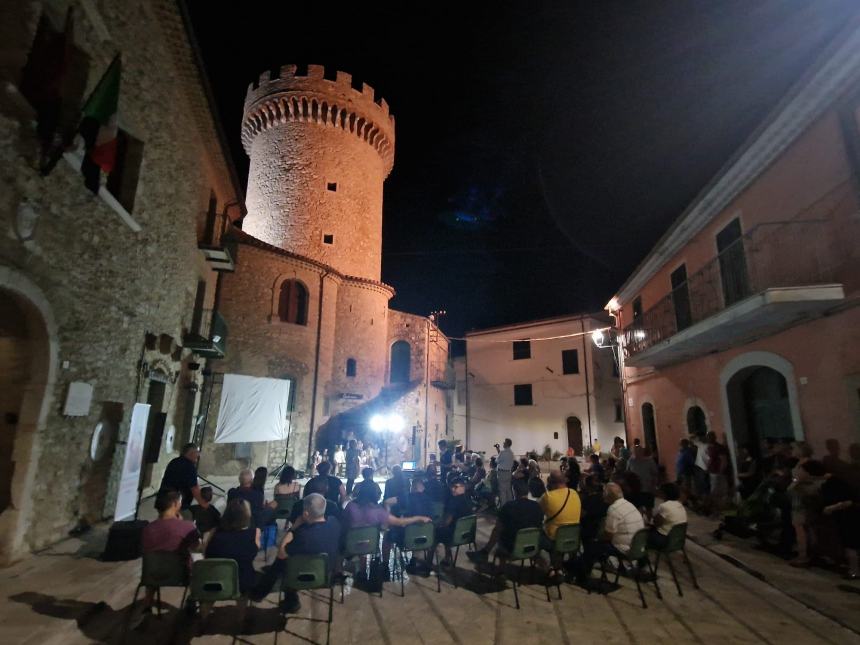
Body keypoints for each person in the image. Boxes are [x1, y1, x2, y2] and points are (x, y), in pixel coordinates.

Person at [251, 493, 342, 611]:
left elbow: (281, 553)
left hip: (300, 575)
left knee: (281, 562)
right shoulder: (334, 523)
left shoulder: (303, 535)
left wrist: (293, 528)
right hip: (326, 573)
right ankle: (271, 595)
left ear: (305, 513)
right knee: (291, 559)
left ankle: (272, 596)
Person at [572, 482, 644, 585]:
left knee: (592, 547)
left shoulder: (614, 509)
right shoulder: (629, 505)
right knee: (595, 544)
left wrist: (597, 539)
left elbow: (608, 536)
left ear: (606, 496)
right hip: (636, 546)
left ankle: (581, 577)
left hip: (624, 547)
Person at [141, 490, 201, 613]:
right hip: (180, 574)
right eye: (179, 502)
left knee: (155, 559)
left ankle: (147, 602)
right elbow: (197, 547)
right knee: (200, 559)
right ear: (175, 504)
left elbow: (146, 548)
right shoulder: (187, 526)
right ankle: (193, 599)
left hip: (152, 574)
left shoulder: (147, 528)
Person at [468, 477, 543, 562]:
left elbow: (498, 529)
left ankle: (487, 555)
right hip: (532, 545)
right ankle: (485, 553)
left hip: (512, 546)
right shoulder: (537, 506)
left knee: (498, 532)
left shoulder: (509, 506)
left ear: (514, 491)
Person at [205, 499, 260, 598]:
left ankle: (203, 612)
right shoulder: (254, 533)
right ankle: (241, 612)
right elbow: (254, 552)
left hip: (215, 578)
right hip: (242, 581)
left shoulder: (215, 532)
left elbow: (206, 553)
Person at [788, 459, 826, 567]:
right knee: (810, 533)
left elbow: (790, 490)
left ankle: (803, 556)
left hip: (801, 511)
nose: (799, 471)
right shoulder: (815, 483)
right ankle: (810, 555)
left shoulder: (808, 484)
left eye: (801, 469)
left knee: (802, 535)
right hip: (805, 511)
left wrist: (796, 481)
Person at [538, 470, 581, 556]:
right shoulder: (574, 493)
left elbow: (538, 514)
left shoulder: (547, 496)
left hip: (554, 538)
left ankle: (545, 563)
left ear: (550, 482)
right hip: (574, 536)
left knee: (536, 536)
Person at [159, 443, 209, 511]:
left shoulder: (174, 461)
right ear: (190, 453)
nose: (198, 455)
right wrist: (203, 504)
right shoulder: (189, 467)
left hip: (163, 499)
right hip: (176, 504)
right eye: (197, 452)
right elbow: (194, 488)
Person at [436, 477, 474, 566]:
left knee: (437, 532)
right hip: (469, 534)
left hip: (456, 535)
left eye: (455, 487)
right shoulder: (468, 500)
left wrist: (438, 525)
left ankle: (437, 560)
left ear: (463, 487)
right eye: (451, 487)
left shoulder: (453, 502)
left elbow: (447, 522)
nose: (452, 489)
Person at [648, 482, 687, 549]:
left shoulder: (664, 506)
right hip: (678, 540)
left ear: (664, 494)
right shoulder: (680, 505)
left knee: (643, 534)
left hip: (665, 540)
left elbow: (656, 523)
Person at [628, 445, 659, 519]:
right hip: (636, 489)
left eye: (639, 451)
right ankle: (640, 524)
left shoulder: (649, 461)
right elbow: (627, 473)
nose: (637, 453)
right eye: (635, 451)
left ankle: (649, 522)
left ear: (643, 452)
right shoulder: (631, 461)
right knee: (638, 507)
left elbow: (655, 474)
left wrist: (654, 486)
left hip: (648, 488)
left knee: (649, 508)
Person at [495, 438, 515, 506]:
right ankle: (511, 505)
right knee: (508, 490)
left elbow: (497, 461)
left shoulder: (503, 453)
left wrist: (498, 452)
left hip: (502, 473)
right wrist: (498, 450)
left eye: (504, 442)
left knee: (502, 491)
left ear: (507, 444)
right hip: (508, 473)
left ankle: (504, 507)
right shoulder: (511, 453)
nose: (503, 443)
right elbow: (502, 458)